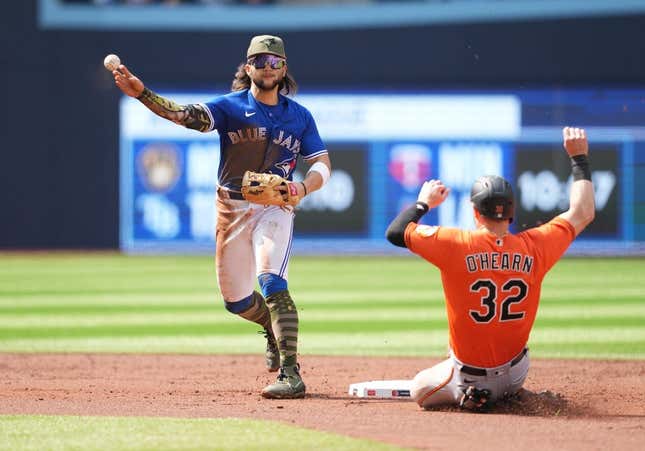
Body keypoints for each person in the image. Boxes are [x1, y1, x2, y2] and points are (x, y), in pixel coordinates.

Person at [111, 35, 332, 399]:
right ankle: (270, 331)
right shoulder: (230, 107)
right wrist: (142, 94)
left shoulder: (300, 116)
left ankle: (292, 374)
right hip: (231, 209)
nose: (267, 67)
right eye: (260, 61)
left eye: (275, 61)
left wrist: (302, 189)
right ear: (248, 68)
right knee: (237, 301)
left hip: (275, 207)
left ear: (284, 68)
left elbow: (321, 163)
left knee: (272, 280)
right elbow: (184, 116)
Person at [385, 127, 594, 411]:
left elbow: (396, 233)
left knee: (420, 388)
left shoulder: (455, 244)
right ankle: (510, 392)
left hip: (469, 375)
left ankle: (467, 395)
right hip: (517, 372)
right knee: (500, 365)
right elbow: (583, 212)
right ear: (511, 212)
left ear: (474, 211)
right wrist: (579, 158)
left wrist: (424, 202)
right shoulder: (535, 246)